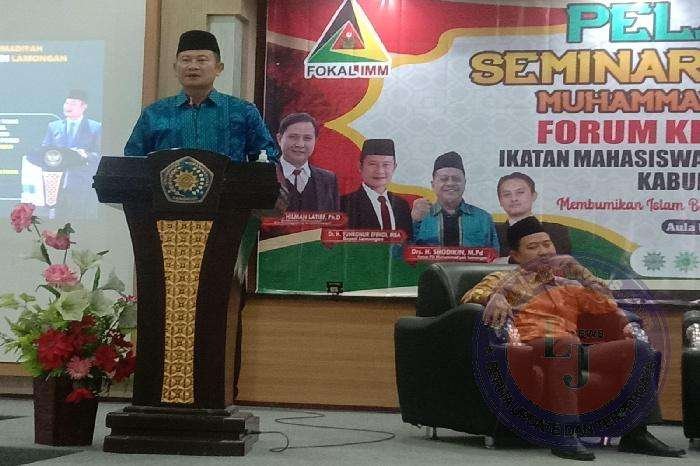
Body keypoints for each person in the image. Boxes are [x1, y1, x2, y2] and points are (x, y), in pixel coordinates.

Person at [462, 216, 686, 461]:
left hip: (570, 350)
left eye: (547, 244)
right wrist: (495, 297)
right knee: (565, 345)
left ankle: (636, 433)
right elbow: (472, 295)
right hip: (529, 349)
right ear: (516, 256)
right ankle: (563, 433)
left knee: (638, 349)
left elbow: (606, 303)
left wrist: (580, 271)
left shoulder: (567, 285)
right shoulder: (503, 279)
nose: (543, 251)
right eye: (533, 247)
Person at [124, 30, 278, 162]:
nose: (193, 66)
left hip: (227, 189)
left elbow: (267, 158)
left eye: (201, 60)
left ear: (218, 68)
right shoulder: (155, 113)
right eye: (185, 60)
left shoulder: (243, 111)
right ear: (175, 68)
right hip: (167, 189)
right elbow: (133, 160)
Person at [412, 151, 499, 248]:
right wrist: (414, 221)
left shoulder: (483, 218)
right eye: (444, 179)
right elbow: (402, 253)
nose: (450, 183)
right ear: (433, 185)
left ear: (464, 183)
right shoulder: (420, 217)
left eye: (456, 179)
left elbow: (494, 255)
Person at [39, 89, 102, 218]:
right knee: (55, 220)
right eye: (66, 103)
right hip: (56, 184)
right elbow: (43, 151)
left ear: (84, 106)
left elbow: (100, 155)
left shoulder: (95, 127)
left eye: (73, 103)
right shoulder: (53, 126)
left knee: (80, 219)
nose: (68, 107)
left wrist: (85, 155)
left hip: (83, 185)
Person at [341, 138, 412, 239]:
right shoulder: (344, 204)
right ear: (360, 166)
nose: (380, 170)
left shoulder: (402, 205)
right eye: (372, 164)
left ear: (394, 167)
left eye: (386, 165)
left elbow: (407, 242)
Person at [496, 172, 570, 257]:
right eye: (507, 194)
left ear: (534, 195)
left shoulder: (558, 231)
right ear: (500, 201)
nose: (514, 199)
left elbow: (564, 262)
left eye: (520, 192)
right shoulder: (494, 233)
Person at [276, 113, 339, 212]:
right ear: (279, 139)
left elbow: (334, 219)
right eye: (293, 137)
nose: (300, 144)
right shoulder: (265, 175)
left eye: (307, 138)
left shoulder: (328, 180)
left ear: (315, 141)